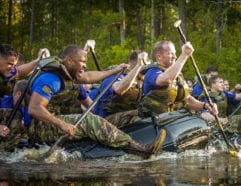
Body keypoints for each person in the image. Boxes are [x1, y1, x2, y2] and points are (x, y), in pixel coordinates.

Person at [0, 45, 166, 159]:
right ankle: (138, 150)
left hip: (51, 122)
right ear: (70, 61)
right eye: (82, 62)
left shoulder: (70, 75)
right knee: (88, 120)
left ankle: (122, 140)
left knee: (99, 119)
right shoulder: (50, 78)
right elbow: (35, 109)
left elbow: (89, 76)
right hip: (38, 126)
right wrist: (62, 125)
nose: (84, 66)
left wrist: (116, 70)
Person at [138, 40, 217, 117]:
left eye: (175, 53)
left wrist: (206, 106)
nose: (175, 57)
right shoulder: (152, 71)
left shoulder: (177, 75)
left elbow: (187, 100)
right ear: (159, 56)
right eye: (171, 53)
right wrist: (184, 55)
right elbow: (166, 79)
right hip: (151, 122)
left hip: (170, 120)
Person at [90, 50, 149, 127]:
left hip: (123, 116)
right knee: (139, 119)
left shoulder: (139, 82)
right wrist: (139, 66)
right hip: (104, 122)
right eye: (146, 67)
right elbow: (118, 89)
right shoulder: (116, 75)